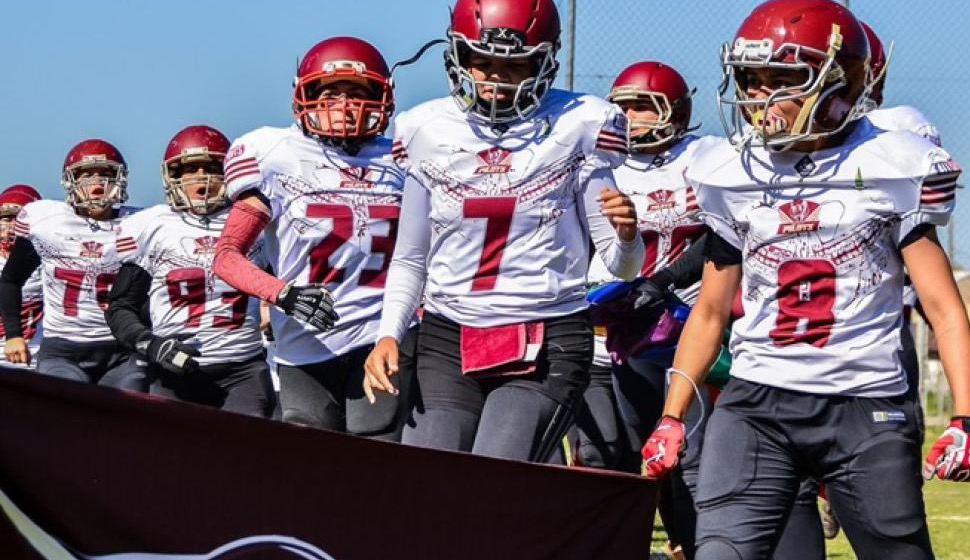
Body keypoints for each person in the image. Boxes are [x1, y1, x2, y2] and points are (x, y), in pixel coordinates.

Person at [640, 2, 970, 558]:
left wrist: (967, 418)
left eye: (780, 80)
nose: (758, 98)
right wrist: (673, 416)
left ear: (837, 84)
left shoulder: (892, 164)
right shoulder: (732, 174)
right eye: (750, 80)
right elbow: (711, 312)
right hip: (757, 402)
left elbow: (943, 306)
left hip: (864, 405)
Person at [364, 0, 644, 463]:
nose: (496, 79)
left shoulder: (579, 124)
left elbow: (621, 266)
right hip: (448, 336)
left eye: (515, 66)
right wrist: (389, 332)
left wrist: (630, 237)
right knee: (427, 480)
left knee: (495, 473)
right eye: (483, 64)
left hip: (547, 334)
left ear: (544, 62)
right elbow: (412, 257)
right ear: (458, 60)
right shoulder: (425, 129)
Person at [214, 37, 414, 438]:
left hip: (380, 332)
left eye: (357, 92)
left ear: (381, 98)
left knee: (374, 444)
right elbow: (226, 256)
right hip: (303, 342)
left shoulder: (401, 157)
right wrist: (282, 294)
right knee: (310, 456)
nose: (343, 105)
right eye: (330, 92)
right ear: (303, 96)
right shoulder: (274, 152)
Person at [580, 60, 711, 559]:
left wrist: (665, 283)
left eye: (644, 106)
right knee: (611, 452)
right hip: (613, 331)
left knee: (687, 453)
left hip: (685, 324)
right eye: (625, 106)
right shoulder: (596, 163)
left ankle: (692, 543)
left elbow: (721, 235)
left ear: (677, 112)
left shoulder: (705, 159)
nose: (631, 117)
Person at [106, 125, 275, 417]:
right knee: (174, 458)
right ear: (173, 177)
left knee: (245, 452)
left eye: (211, 167)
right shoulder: (152, 227)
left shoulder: (253, 224)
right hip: (175, 368)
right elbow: (120, 307)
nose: (202, 177)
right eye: (190, 169)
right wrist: (151, 343)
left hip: (242, 368)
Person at [0, 140, 145, 390]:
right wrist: (14, 335)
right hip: (63, 349)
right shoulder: (47, 223)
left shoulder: (141, 224)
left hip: (121, 348)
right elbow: (11, 280)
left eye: (106, 174)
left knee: (132, 406)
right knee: (65, 405)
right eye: (86, 175)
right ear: (70, 180)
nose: (97, 183)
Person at [0, 186, 44, 374]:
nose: (12, 226)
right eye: (6, 219)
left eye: (19, 219)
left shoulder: (48, 260)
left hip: (35, 355)